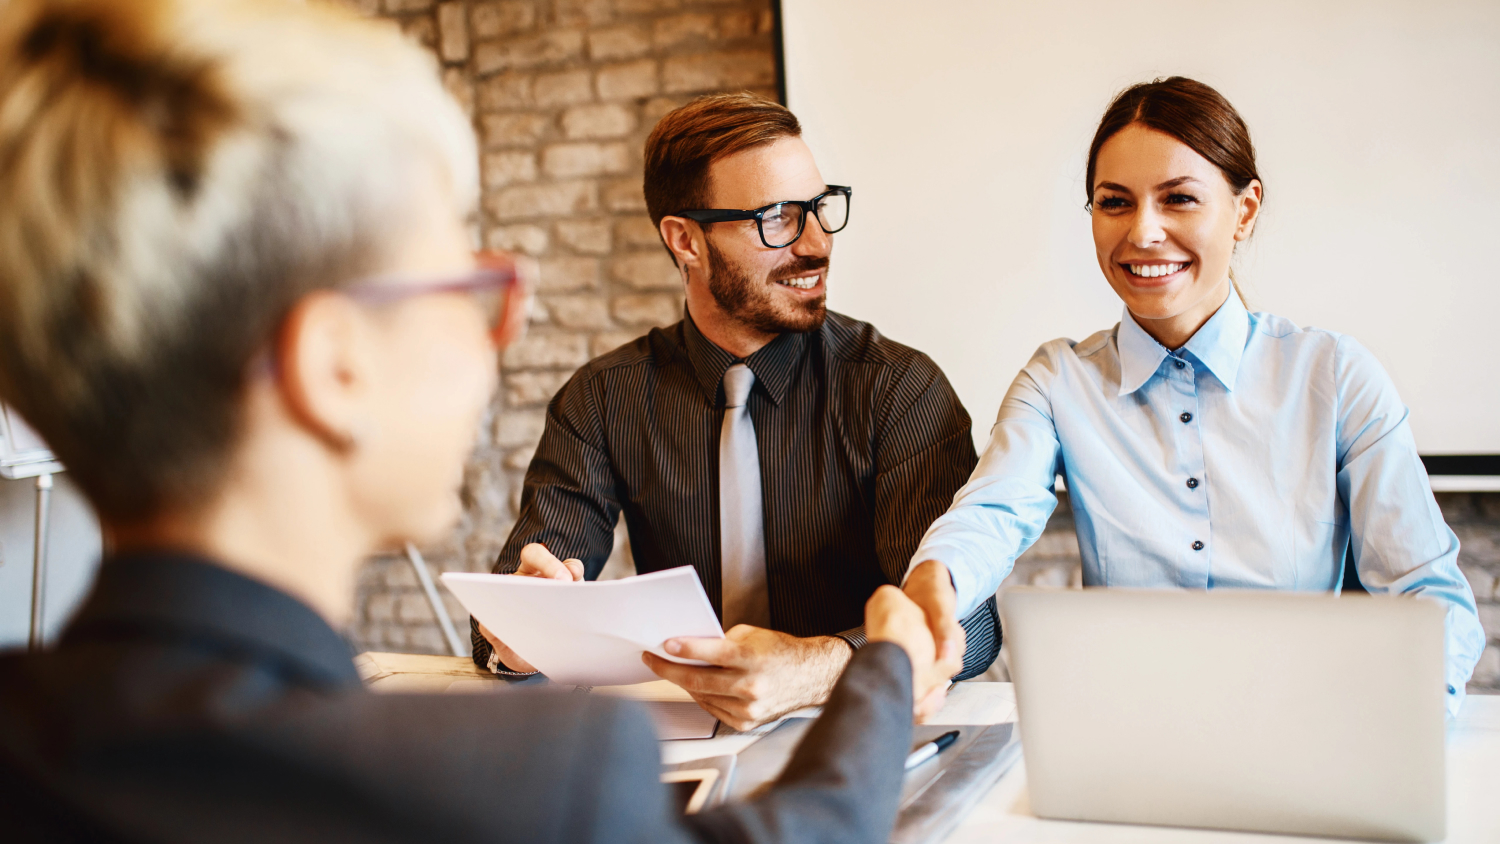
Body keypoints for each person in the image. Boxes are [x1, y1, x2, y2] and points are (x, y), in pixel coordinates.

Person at [0, 1, 956, 841]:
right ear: (333, 367)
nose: (495, 334)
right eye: (462, 285)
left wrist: (830, 666)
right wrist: (882, 667)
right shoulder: (535, 780)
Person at [906, 76, 1485, 717]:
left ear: (1245, 211)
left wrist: (1402, 719)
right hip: (1130, 729)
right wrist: (931, 591)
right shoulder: (1057, 380)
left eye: (1178, 198)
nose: (1143, 232)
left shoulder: (1336, 376)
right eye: (1115, 202)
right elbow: (990, 514)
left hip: (1304, 725)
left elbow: (1430, 595)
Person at [473, 92, 998, 729]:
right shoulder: (603, 398)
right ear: (685, 240)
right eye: (776, 218)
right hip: (684, 738)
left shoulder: (898, 389)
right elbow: (511, 605)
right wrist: (521, 631)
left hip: (860, 732)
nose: (816, 244)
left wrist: (814, 668)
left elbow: (967, 628)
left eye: (819, 208)